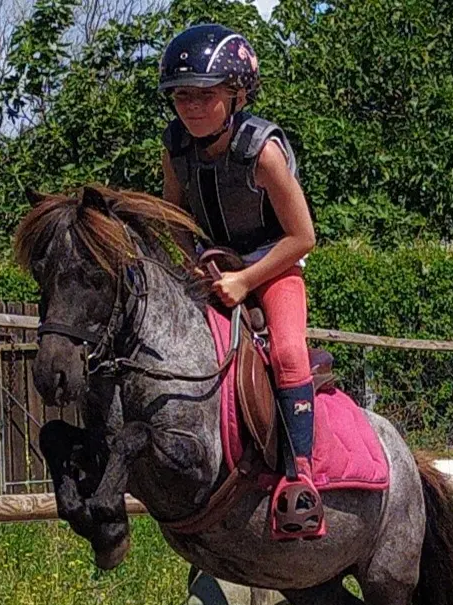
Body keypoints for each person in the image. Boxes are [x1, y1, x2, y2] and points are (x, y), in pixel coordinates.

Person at [158, 24, 324, 540]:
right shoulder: (176, 148)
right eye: (182, 95)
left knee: (291, 353)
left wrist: (244, 280)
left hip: (273, 267)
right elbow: (173, 218)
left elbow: (303, 236)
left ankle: (303, 480)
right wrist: (195, 266)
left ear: (238, 93)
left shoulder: (263, 152)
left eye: (205, 94)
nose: (191, 105)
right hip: (212, 270)